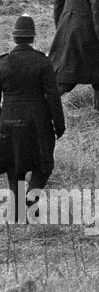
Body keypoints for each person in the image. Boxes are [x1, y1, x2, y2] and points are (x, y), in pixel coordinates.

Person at [0, 15, 66, 204]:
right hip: (38, 120)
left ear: (14, 38)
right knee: (43, 165)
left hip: (8, 119)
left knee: (14, 164)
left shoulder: (2, 63)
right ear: (32, 38)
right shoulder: (43, 62)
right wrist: (59, 124)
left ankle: (19, 208)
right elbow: (53, 96)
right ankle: (30, 200)